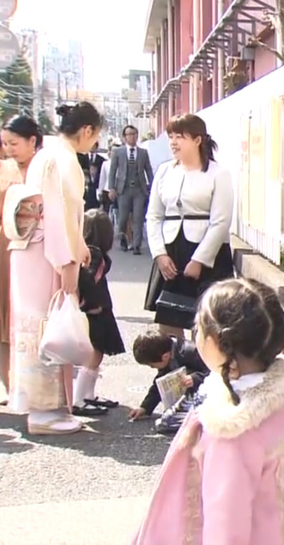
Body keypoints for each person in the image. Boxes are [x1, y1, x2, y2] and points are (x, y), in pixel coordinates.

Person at [132, 278, 284, 544]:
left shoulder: (232, 430)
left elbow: (226, 528)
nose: (194, 335)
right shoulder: (269, 402)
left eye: (199, 328)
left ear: (219, 344)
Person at [6, 102, 102, 435]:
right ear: (87, 130)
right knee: (48, 325)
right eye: (95, 137)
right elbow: (61, 216)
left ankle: (45, 407)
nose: (94, 145)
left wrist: (77, 248)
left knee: (36, 326)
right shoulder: (64, 160)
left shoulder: (47, 154)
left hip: (31, 250)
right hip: (47, 253)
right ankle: (44, 411)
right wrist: (68, 261)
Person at [144, 114, 234, 337]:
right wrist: (159, 254)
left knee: (206, 323)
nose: (173, 142)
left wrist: (200, 260)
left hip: (207, 254)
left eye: (180, 137)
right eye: (171, 136)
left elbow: (221, 222)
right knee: (168, 321)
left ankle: (202, 371)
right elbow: (153, 216)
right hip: (171, 252)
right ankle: (172, 370)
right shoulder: (165, 171)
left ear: (197, 140)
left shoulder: (218, 173)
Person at [0, 115, 43, 406]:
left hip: (36, 247)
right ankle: (6, 384)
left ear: (32, 140)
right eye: (5, 143)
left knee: (32, 317)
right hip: (3, 246)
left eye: (14, 143)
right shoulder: (0, 168)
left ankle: (34, 383)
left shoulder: (45, 166)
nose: (8, 149)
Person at [72, 208, 125, 417]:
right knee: (93, 354)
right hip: (96, 310)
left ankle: (89, 396)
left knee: (97, 353)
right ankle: (79, 399)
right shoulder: (93, 252)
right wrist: (90, 303)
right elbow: (86, 278)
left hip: (97, 309)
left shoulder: (89, 250)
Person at [128, 329, 210, 434]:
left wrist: (196, 378)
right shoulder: (165, 355)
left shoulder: (190, 352)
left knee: (167, 422)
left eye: (152, 365)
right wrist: (145, 407)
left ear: (165, 356)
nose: (152, 367)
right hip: (189, 395)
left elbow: (215, 371)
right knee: (166, 422)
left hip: (208, 393)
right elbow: (159, 384)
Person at [108, 125, 154, 254]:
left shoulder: (143, 153)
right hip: (123, 189)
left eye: (134, 134)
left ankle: (136, 245)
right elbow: (112, 171)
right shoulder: (118, 152)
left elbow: (148, 170)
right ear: (124, 137)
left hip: (139, 189)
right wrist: (111, 188)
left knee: (138, 217)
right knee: (123, 218)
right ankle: (123, 238)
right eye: (129, 134)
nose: (132, 137)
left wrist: (153, 185)